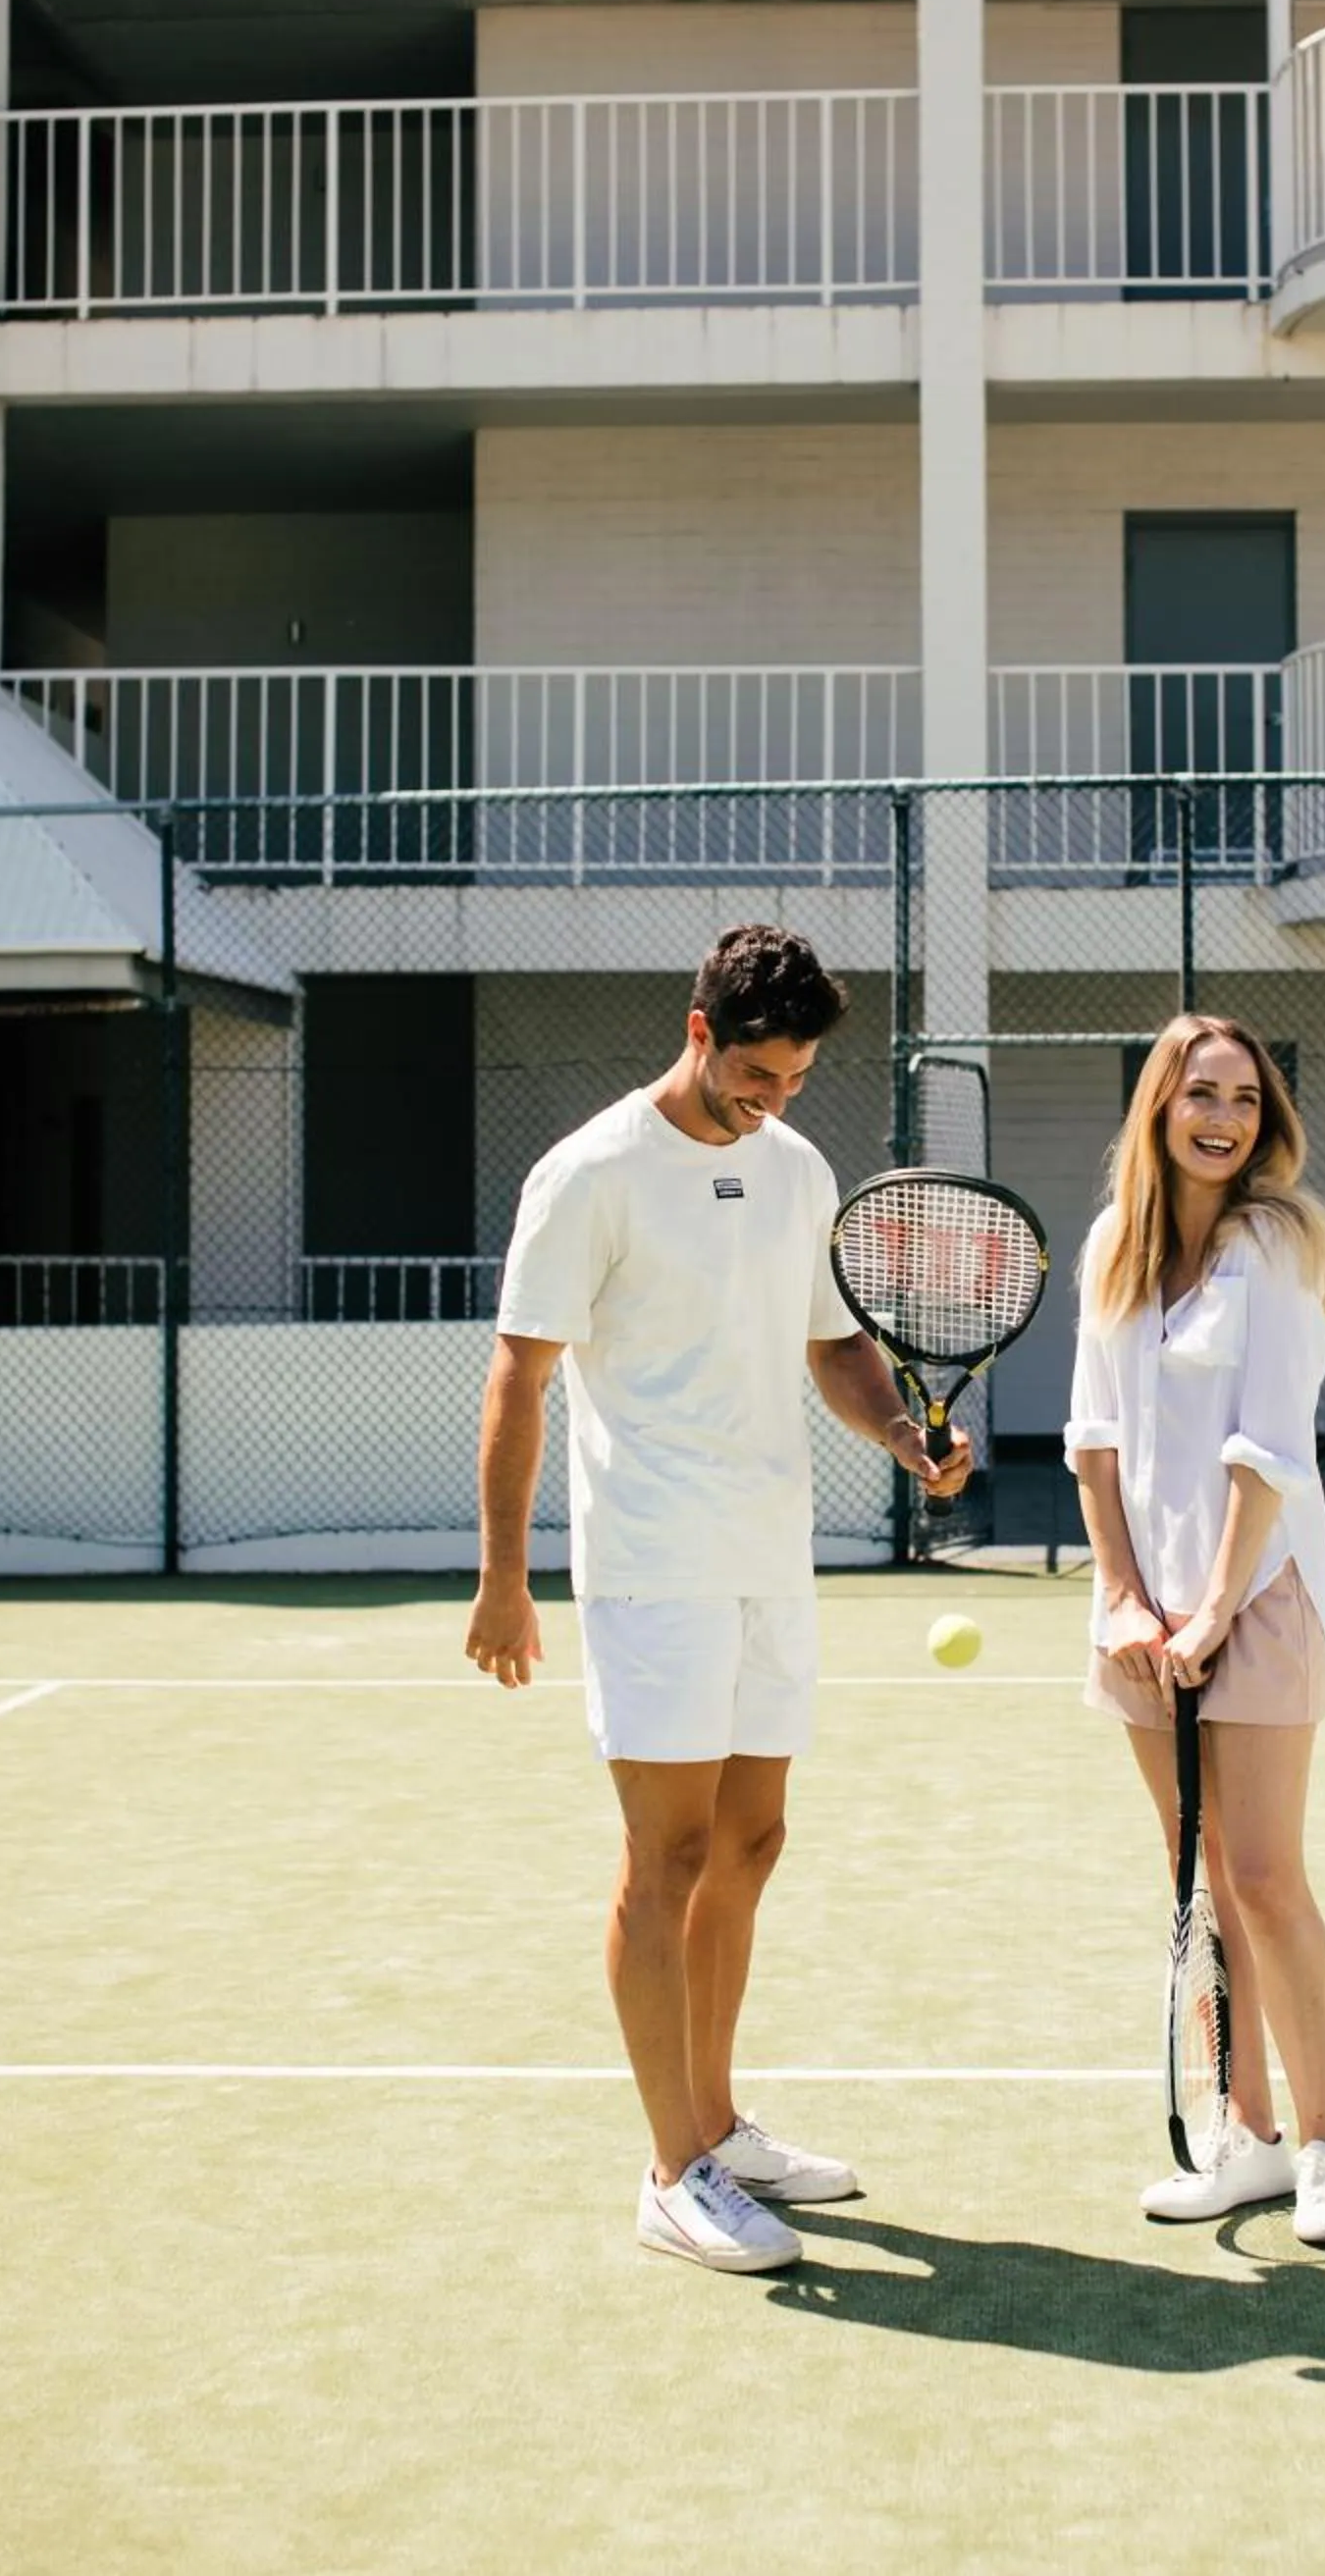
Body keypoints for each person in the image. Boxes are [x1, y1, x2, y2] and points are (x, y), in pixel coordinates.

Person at [465, 923, 971, 2275]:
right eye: (757, 1071)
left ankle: (718, 2122)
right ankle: (670, 2170)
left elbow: (834, 1345)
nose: (776, 1098)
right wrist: (505, 1578)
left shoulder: (797, 1167)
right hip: (651, 1565)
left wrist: (904, 1436)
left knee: (752, 1845)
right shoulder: (590, 1175)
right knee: (667, 1860)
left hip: (767, 1555)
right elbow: (519, 1375)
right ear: (699, 1031)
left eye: (797, 1077)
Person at [1064, 1012, 1325, 2247]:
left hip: (1262, 1594)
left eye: (1246, 1098)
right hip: (1144, 1613)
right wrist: (1129, 1597)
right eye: (1202, 1093)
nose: (1225, 1117)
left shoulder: (1277, 1246)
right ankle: (1241, 2136)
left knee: (1261, 1875)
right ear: (1158, 1106)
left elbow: (1266, 1453)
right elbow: (1094, 1443)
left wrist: (1210, 1613)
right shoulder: (1112, 1248)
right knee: (1195, 1879)